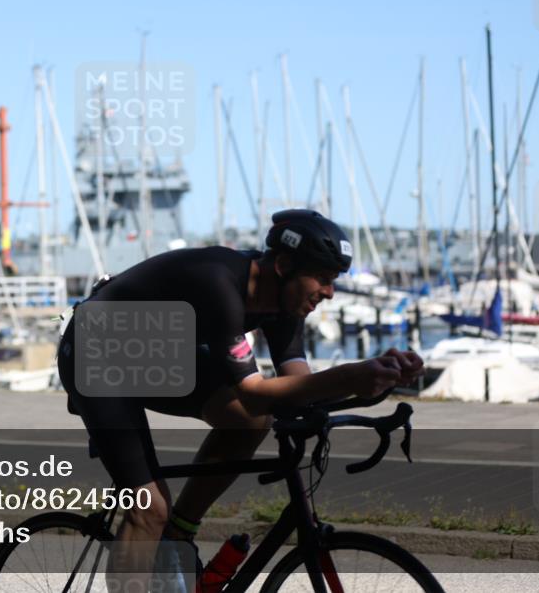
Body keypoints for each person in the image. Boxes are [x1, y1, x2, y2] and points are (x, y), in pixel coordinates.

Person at [56, 209, 425, 591]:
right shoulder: (220, 282)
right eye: (323, 278)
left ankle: (178, 536)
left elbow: (300, 387)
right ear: (283, 266)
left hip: (153, 354)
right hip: (93, 354)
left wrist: (376, 379)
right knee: (149, 509)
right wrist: (350, 375)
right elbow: (253, 392)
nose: (330, 292)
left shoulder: (285, 303)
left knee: (251, 421)